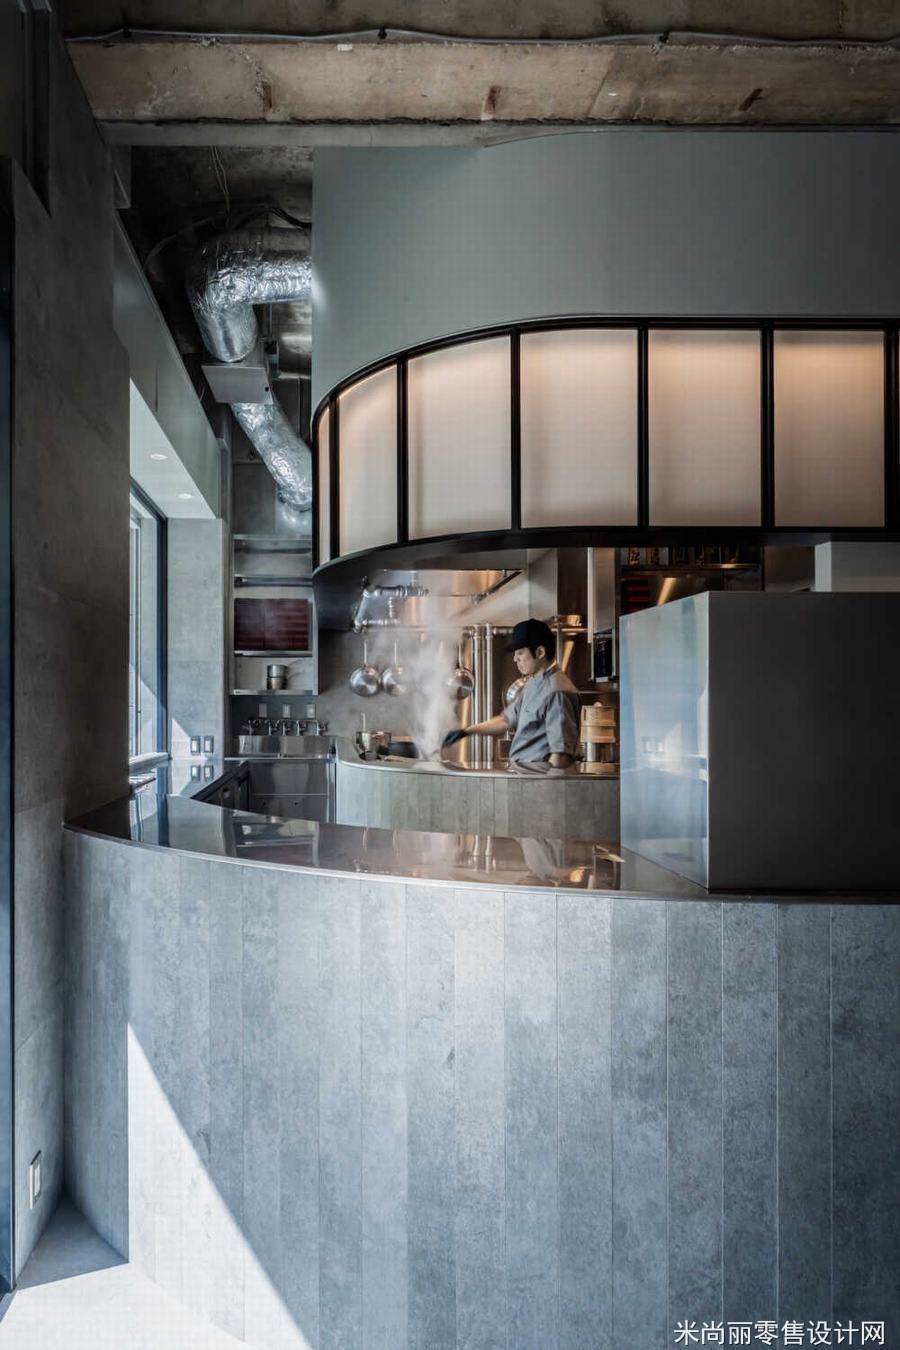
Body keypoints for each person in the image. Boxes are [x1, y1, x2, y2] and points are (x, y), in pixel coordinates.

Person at [442, 618, 580, 771]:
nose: (515, 659)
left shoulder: (557, 692)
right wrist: (466, 731)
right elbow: (505, 720)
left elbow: (560, 757)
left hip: (537, 778)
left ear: (540, 652)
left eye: (520, 653)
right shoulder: (533, 682)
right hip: (523, 774)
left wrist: (544, 785)